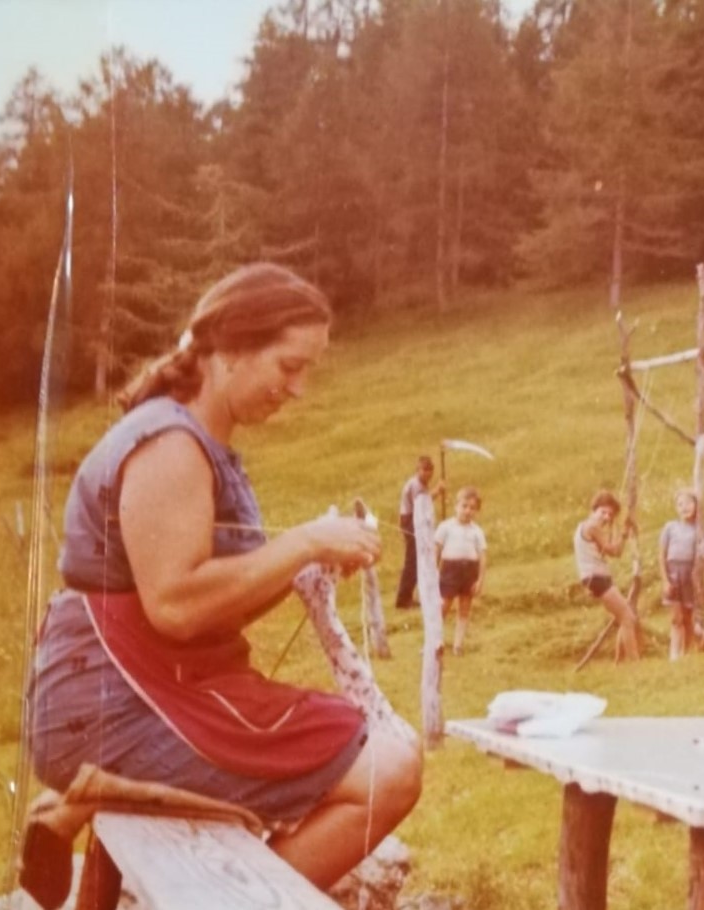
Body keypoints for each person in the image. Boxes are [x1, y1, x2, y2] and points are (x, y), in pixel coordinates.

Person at [26, 264, 422, 900]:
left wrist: (301, 560)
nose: (297, 389)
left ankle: (93, 808)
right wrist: (302, 543)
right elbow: (177, 608)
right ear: (231, 350)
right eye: (289, 366)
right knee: (391, 772)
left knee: (363, 747)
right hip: (118, 701)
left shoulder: (195, 438)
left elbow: (213, 606)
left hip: (142, 692)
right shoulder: (170, 446)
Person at [573, 490, 642, 662]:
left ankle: (619, 663)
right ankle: (635, 663)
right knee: (628, 617)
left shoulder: (583, 526)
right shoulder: (592, 527)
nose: (605, 517)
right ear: (593, 510)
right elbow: (615, 551)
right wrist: (624, 534)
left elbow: (609, 548)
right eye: (602, 512)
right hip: (596, 577)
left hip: (594, 577)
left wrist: (618, 531)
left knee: (623, 616)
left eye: (610, 514)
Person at [434, 486, 487, 656]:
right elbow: (436, 550)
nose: (467, 511)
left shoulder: (477, 531)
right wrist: (434, 571)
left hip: (469, 571)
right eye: (464, 506)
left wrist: (480, 580)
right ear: (456, 506)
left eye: (472, 508)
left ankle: (458, 644)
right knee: (443, 605)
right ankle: (435, 642)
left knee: (464, 607)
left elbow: (482, 556)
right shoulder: (446, 527)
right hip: (450, 569)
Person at [659, 488, 702, 661]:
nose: (685, 507)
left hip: (689, 574)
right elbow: (661, 554)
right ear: (676, 508)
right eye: (680, 504)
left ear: (696, 505)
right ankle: (674, 654)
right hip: (672, 572)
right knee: (676, 617)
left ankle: (688, 652)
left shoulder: (699, 529)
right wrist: (664, 580)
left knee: (687, 616)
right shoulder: (670, 527)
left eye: (689, 503)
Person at [395, 456, 442, 608]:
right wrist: (437, 491)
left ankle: (407, 596)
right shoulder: (417, 486)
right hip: (411, 521)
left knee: (416, 560)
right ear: (418, 470)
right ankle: (403, 599)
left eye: (430, 471)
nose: (428, 474)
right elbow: (421, 505)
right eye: (424, 470)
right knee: (413, 561)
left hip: (414, 520)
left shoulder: (421, 484)